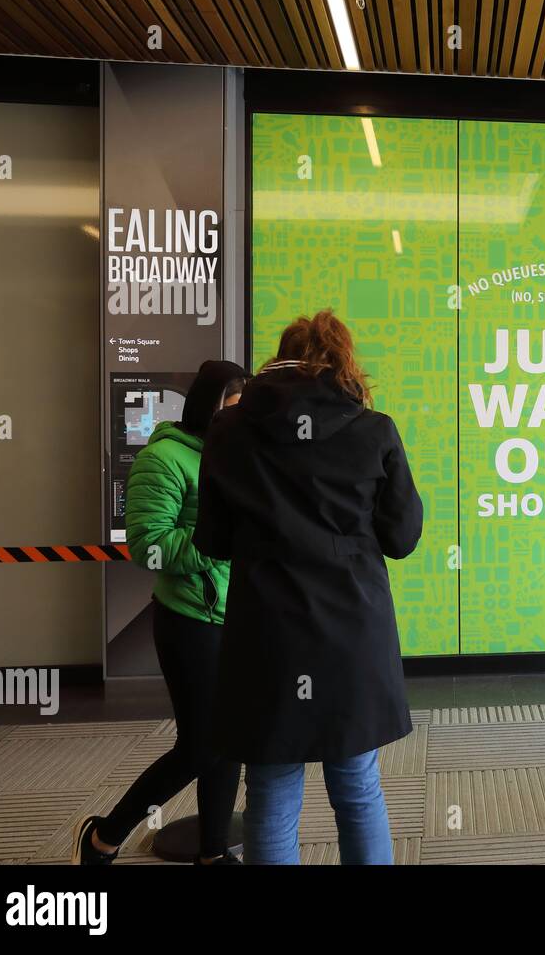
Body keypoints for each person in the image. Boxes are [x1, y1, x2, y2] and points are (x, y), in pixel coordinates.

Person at [193, 310, 422, 865]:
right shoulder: (373, 430)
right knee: (357, 785)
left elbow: (214, 541)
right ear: (342, 361)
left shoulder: (229, 430)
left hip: (266, 633)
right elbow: (403, 537)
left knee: (270, 789)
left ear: (280, 359)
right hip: (352, 631)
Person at [73, 360, 249, 866]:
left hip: (236, 617)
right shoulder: (164, 458)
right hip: (189, 620)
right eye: (234, 410)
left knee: (228, 740)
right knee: (199, 746)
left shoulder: (236, 454)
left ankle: (213, 852)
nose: (241, 421)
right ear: (211, 407)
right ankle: (104, 835)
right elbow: (149, 546)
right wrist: (220, 546)